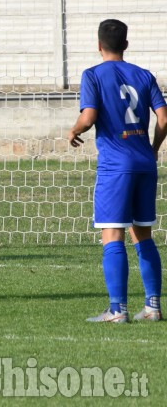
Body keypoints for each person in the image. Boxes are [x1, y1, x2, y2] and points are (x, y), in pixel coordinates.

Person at [68, 19, 167, 323]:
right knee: (143, 235)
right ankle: (152, 307)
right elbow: (164, 118)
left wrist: (73, 130)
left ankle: (117, 310)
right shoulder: (144, 75)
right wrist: (153, 148)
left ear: (99, 46)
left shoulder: (93, 75)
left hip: (115, 166)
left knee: (113, 233)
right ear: (125, 45)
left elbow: (89, 116)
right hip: (144, 165)